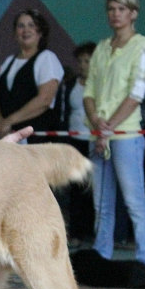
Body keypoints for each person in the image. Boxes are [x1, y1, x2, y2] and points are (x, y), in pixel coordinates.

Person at [83, 0, 145, 269]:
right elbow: (89, 89)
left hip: (124, 134)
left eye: (121, 9)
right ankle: (102, 255)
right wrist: (95, 121)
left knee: (134, 200)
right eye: (111, 9)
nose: (115, 14)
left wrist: (108, 127)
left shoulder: (143, 46)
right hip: (99, 132)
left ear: (133, 13)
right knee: (101, 203)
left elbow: (136, 94)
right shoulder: (102, 47)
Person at [0, 9, 64, 143]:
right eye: (21, 26)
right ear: (15, 32)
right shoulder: (8, 61)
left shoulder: (47, 58)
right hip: (8, 138)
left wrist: (9, 121)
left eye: (31, 25)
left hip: (35, 141)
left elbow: (45, 99)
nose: (26, 30)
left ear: (40, 32)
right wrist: (0, 123)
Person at [58, 42, 97, 245]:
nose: (82, 65)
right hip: (74, 142)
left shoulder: (101, 84)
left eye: (87, 61)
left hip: (94, 140)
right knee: (75, 188)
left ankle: (91, 231)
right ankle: (75, 232)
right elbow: (64, 113)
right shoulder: (70, 85)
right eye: (80, 61)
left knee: (92, 189)